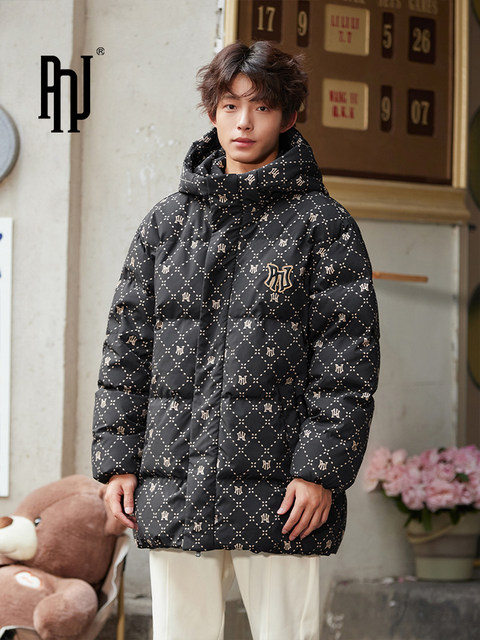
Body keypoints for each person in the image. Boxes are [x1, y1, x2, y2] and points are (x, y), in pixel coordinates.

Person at [92, 40, 380, 640]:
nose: (244, 122)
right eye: (230, 105)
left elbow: (346, 361)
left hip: (282, 489)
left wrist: (320, 471)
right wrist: (119, 463)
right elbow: (126, 350)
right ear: (212, 112)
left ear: (289, 116)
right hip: (174, 475)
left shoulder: (322, 226)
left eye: (262, 106)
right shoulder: (166, 224)